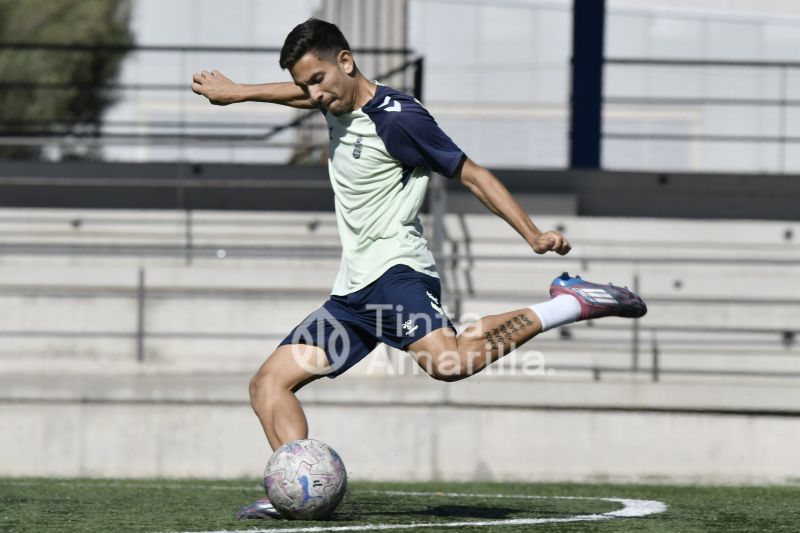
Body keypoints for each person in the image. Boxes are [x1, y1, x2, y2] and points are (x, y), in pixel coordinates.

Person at [192, 18, 646, 520]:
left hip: (396, 275)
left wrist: (533, 233)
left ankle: (567, 302)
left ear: (346, 61)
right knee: (267, 384)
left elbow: (472, 173)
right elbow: (301, 94)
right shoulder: (335, 99)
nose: (312, 94)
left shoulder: (399, 119)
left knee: (449, 364)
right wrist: (240, 93)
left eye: (317, 79)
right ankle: (297, 489)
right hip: (353, 296)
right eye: (305, 84)